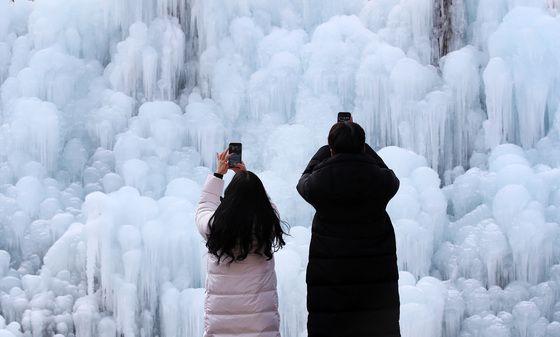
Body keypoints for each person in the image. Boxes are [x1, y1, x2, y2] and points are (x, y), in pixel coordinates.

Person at [297, 122, 401, 337]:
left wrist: (324, 152)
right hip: (374, 281)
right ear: (363, 146)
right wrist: (366, 150)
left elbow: (303, 181)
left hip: (331, 281)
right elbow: (388, 173)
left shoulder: (320, 182)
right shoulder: (380, 180)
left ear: (331, 147)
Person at [196, 149, 287, 337]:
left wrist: (218, 175)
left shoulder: (215, 228)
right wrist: (246, 178)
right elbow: (270, 210)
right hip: (260, 325)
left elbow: (204, 207)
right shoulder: (266, 226)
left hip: (222, 324)